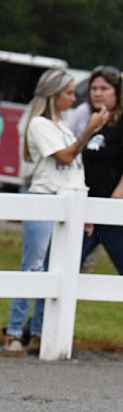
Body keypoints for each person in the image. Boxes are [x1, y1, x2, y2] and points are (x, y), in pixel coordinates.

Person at [6, 68, 107, 353]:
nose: (73, 98)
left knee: (55, 270)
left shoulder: (62, 126)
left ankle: (39, 331)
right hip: (45, 200)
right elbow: (64, 157)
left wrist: (82, 209)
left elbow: (74, 169)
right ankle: (14, 331)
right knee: (33, 267)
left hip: (66, 205)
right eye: (68, 93)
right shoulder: (40, 124)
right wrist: (89, 130)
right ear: (53, 95)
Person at [79, 67, 123, 273]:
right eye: (94, 88)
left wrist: (115, 199)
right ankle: (45, 307)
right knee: (60, 263)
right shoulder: (95, 122)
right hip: (87, 210)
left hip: (112, 211)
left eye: (104, 88)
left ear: (117, 92)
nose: (97, 93)